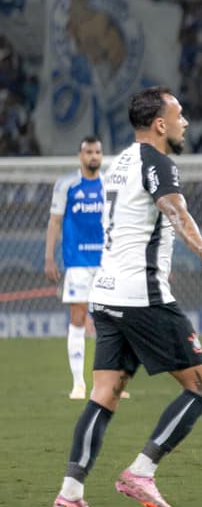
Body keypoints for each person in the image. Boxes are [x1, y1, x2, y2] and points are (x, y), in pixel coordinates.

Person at [51, 87, 202, 507]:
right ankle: (142, 470)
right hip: (142, 297)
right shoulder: (157, 162)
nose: (185, 121)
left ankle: (69, 496)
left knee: (104, 395)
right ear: (159, 124)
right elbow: (173, 209)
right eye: (179, 114)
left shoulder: (118, 164)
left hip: (106, 293)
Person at [44, 136, 105, 400]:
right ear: (80, 156)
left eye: (97, 152)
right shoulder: (66, 184)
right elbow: (55, 222)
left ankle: (109, 383)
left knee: (111, 323)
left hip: (107, 263)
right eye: (89, 152)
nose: (93, 156)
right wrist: (49, 257)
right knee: (78, 319)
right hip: (77, 262)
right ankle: (79, 383)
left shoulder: (110, 184)